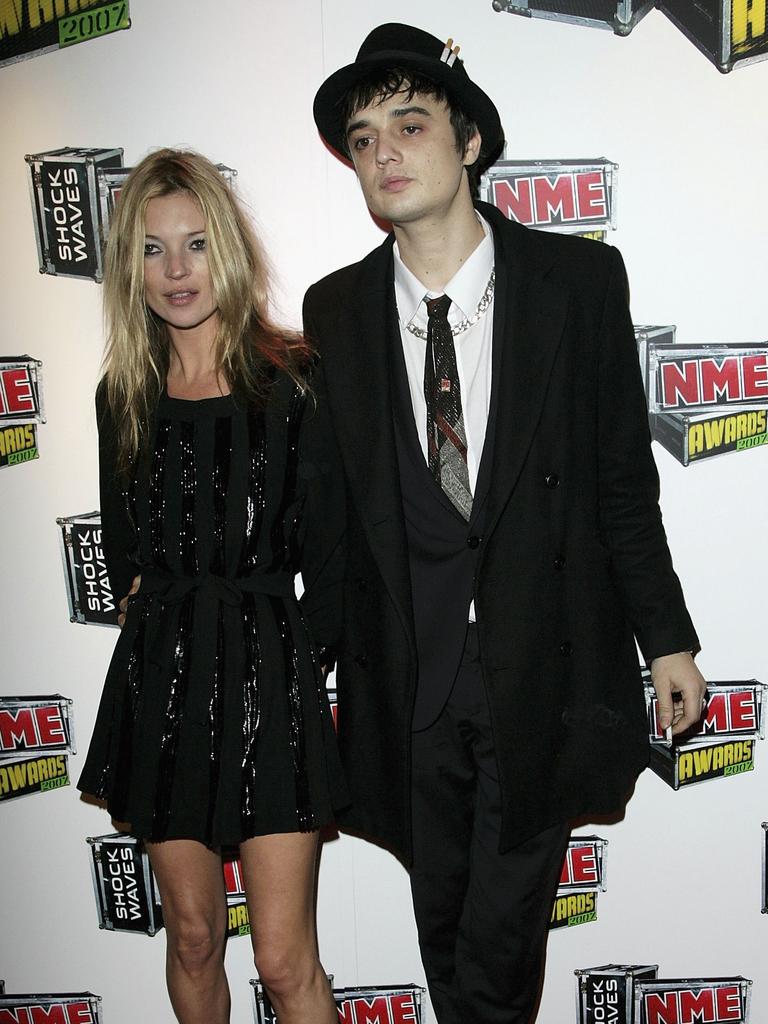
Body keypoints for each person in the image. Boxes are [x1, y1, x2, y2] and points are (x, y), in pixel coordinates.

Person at [302, 23, 707, 1024]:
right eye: (362, 138)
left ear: (470, 140)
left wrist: (667, 638)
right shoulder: (338, 311)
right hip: (408, 683)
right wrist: (307, 658)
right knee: (444, 923)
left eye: (408, 122)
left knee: (499, 935)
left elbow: (621, 480)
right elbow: (336, 516)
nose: (384, 153)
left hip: (545, 670)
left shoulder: (575, 285)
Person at [77, 149, 346, 1024]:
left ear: (225, 248)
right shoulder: (122, 394)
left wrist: (301, 662)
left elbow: (335, 549)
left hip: (271, 667)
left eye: (194, 244)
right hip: (166, 678)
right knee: (191, 934)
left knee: (282, 959)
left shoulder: (295, 380)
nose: (176, 270)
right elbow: (125, 559)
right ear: (129, 265)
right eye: (152, 250)